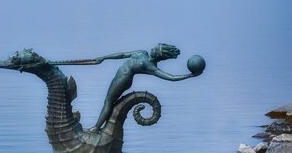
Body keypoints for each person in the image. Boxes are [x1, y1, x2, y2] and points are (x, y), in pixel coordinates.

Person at [49, 43, 200, 132]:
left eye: (157, 50)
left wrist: (189, 76)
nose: (154, 49)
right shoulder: (142, 53)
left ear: (160, 56)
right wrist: (104, 57)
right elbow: (122, 55)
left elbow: (171, 78)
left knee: (108, 102)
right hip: (119, 77)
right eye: (156, 47)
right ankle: (99, 127)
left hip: (124, 80)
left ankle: (96, 128)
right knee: (109, 102)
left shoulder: (150, 66)